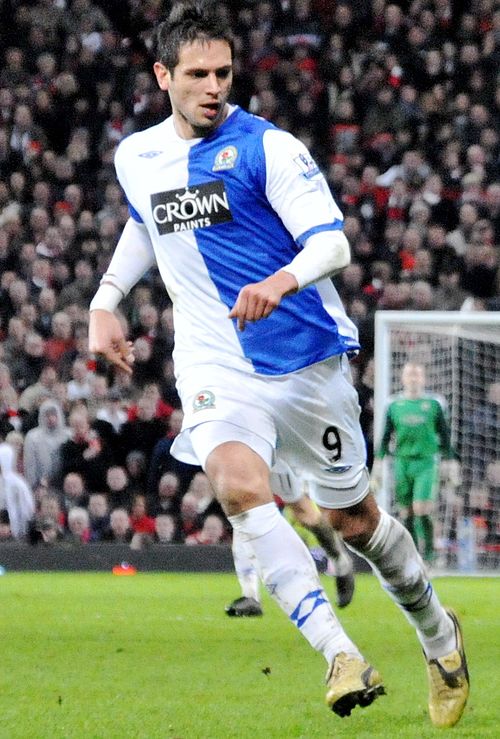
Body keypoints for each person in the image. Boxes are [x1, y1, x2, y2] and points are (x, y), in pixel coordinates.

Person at [88, 2, 468, 726]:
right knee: (237, 486)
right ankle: (340, 653)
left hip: (303, 358)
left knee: (352, 519)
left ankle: (438, 634)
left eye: (223, 73)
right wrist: (107, 299)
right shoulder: (136, 155)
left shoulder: (270, 147)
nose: (212, 87)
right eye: (196, 74)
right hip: (213, 361)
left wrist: (281, 280)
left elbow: (332, 244)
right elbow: (147, 220)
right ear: (162, 74)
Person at [226, 462, 355, 616]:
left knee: (305, 514)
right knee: (242, 517)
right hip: (248, 458)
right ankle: (250, 596)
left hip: (276, 458)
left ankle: (340, 560)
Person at [372, 362, 461, 565]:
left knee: (422, 508)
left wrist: (451, 462)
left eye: (417, 374)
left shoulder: (434, 404)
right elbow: (386, 437)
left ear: (423, 378)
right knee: (406, 512)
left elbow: (444, 435)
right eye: (409, 374)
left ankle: (430, 555)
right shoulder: (394, 405)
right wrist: (378, 464)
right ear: (402, 378)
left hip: (426, 462)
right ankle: (411, 556)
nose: (413, 378)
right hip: (402, 462)